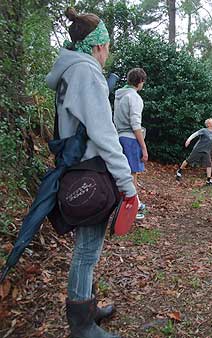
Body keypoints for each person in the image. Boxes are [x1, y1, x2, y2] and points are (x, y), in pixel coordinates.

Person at [46, 7, 136, 338]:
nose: (108, 53)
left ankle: (88, 307)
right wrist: (127, 183)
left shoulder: (72, 70)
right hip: (90, 172)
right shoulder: (86, 73)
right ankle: (81, 324)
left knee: (89, 248)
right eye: (108, 46)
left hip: (80, 168)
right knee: (86, 251)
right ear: (98, 46)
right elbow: (104, 133)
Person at [114, 68, 148, 220]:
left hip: (118, 137)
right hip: (131, 139)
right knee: (132, 174)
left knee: (124, 173)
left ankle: (135, 203)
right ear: (140, 81)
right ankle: (133, 208)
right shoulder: (134, 97)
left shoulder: (119, 95)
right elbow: (135, 124)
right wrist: (143, 147)